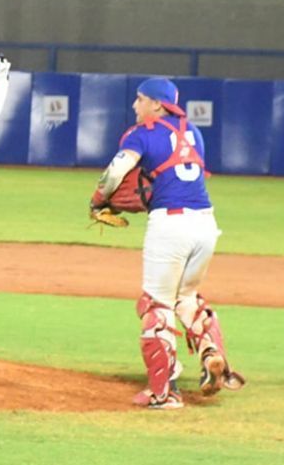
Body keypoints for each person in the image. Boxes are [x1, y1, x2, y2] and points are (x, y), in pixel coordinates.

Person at [92, 78, 246, 410]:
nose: (135, 106)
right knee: (186, 297)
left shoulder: (142, 132)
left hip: (170, 225)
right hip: (205, 223)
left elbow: (117, 170)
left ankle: (164, 393)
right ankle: (211, 354)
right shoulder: (194, 132)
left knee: (157, 306)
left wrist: (99, 198)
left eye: (140, 99)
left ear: (157, 105)